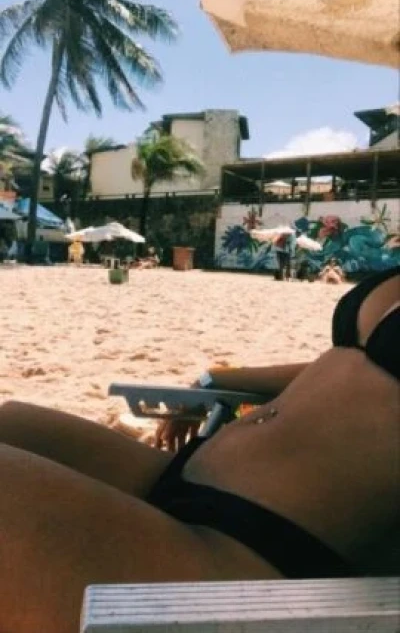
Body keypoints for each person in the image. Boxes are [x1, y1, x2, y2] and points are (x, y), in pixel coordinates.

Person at [0, 267, 399, 633]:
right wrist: (217, 379)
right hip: (192, 477)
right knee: (13, 420)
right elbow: (355, 365)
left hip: (252, 554)